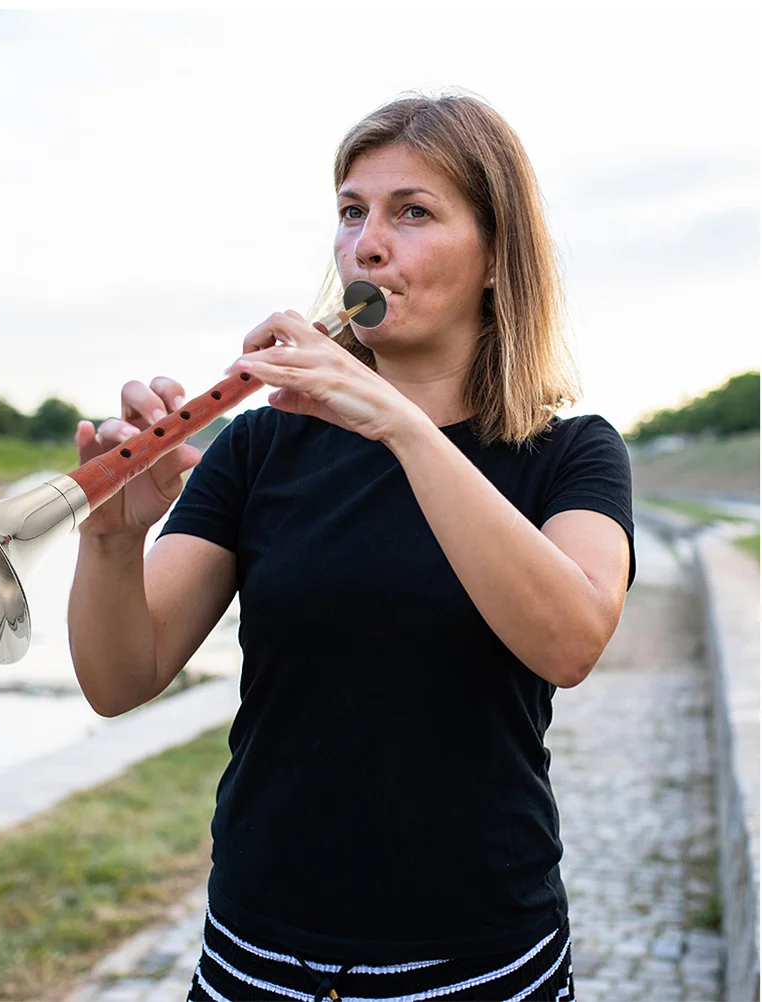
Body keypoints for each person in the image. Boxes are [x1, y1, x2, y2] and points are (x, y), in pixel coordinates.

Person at [68, 92, 636, 1002]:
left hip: (478, 962)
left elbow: (570, 640)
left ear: (498, 258)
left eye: (412, 212)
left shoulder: (573, 453)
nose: (364, 244)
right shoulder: (259, 445)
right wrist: (109, 540)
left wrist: (400, 427)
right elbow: (117, 678)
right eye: (351, 211)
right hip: (256, 952)